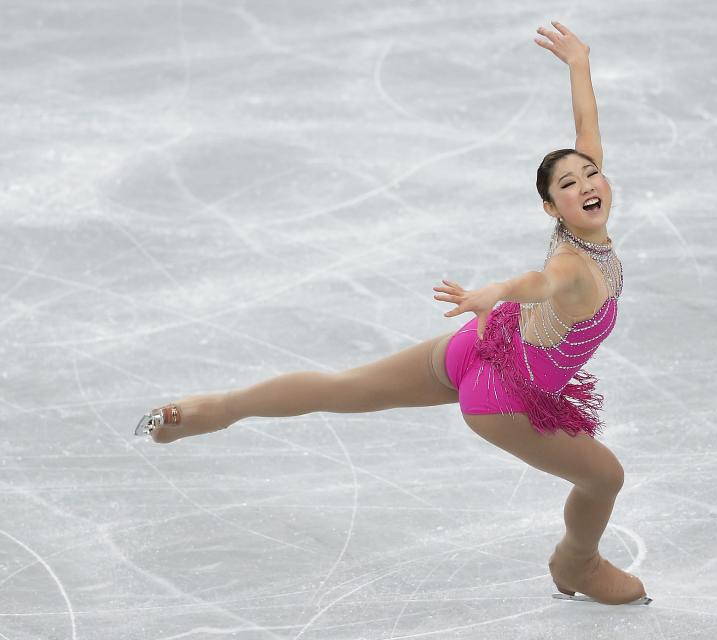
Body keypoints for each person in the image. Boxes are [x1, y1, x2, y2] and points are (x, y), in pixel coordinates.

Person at [135, 21, 649, 606]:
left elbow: (587, 129)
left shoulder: (580, 216)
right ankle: (577, 562)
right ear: (548, 205)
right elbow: (541, 281)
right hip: (505, 397)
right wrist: (494, 292)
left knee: (343, 387)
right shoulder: (574, 264)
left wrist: (579, 65)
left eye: (591, 173)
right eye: (570, 182)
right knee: (604, 477)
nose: (587, 182)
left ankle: (216, 410)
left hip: (481, 348)